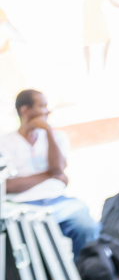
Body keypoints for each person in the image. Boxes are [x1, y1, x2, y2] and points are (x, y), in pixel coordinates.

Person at [0, 89, 101, 256]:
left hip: (59, 202)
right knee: (29, 246)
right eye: (42, 106)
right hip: (22, 207)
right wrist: (49, 175)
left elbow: (58, 168)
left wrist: (47, 131)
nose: (48, 111)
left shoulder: (57, 137)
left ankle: (86, 277)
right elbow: (7, 186)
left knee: (87, 227)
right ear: (25, 110)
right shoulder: (4, 142)